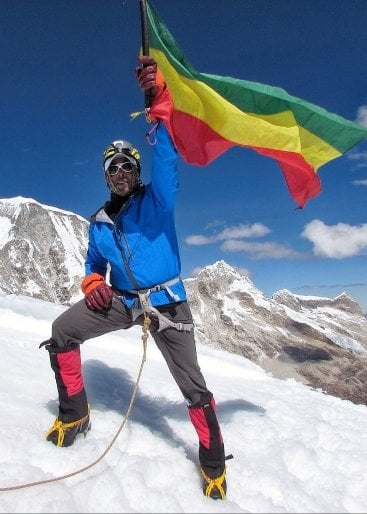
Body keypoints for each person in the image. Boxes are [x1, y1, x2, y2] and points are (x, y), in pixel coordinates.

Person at [39, 55, 227, 500]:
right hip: (121, 301)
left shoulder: (158, 200)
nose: (121, 172)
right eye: (113, 168)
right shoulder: (99, 221)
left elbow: (168, 161)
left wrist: (158, 105)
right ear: (106, 177)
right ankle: (74, 413)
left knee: (192, 385)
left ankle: (214, 463)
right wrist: (91, 283)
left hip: (166, 303)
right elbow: (92, 264)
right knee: (63, 331)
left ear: (136, 170)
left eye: (127, 165)